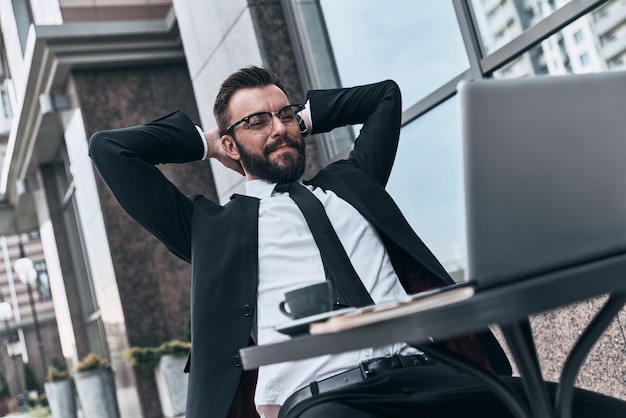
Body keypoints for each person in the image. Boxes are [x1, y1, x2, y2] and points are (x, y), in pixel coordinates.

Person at [89, 66, 626, 418]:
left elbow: (384, 98)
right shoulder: (208, 228)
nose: (277, 128)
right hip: (329, 402)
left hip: (435, 376)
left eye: (284, 116)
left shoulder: (351, 182)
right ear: (231, 142)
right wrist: (207, 142)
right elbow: (111, 150)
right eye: (256, 122)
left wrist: (298, 115)